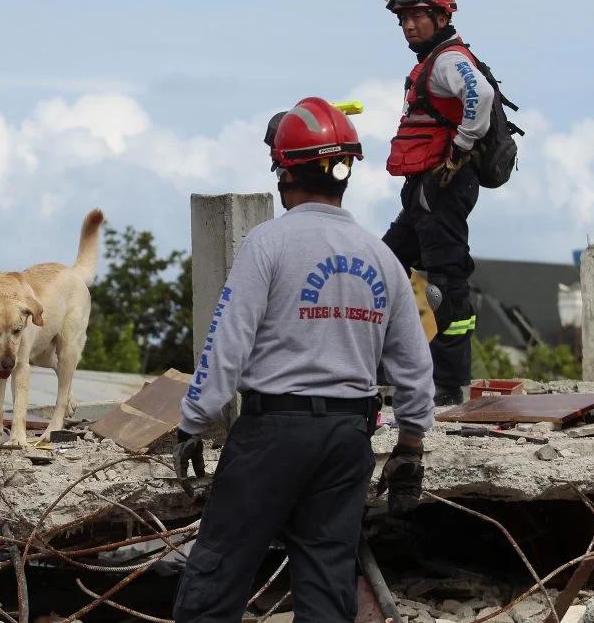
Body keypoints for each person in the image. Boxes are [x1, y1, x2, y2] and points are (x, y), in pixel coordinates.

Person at [172, 98, 434, 622]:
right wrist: (410, 445)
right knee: (325, 583)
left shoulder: (268, 244)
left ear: (284, 172)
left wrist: (191, 424)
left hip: (273, 433)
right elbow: (414, 367)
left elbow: (226, 347)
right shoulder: (381, 256)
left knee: (217, 576)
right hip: (347, 440)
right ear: (344, 175)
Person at [381, 0, 493, 406]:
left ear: (442, 15)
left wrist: (461, 147)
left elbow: (479, 95)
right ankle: (387, 369)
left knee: (445, 283)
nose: (409, 26)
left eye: (417, 17)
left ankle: (449, 384)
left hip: (445, 185)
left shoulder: (448, 59)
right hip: (425, 189)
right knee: (385, 267)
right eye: (403, 19)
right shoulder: (433, 59)